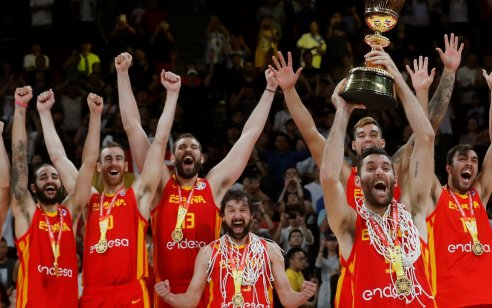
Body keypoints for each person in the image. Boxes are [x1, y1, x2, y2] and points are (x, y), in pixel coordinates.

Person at [115, 52, 277, 307]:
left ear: (202, 158)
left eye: (193, 147)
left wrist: (269, 89)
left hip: (209, 291)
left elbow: (249, 135)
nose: (187, 150)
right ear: (172, 157)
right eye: (181, 147)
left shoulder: (212, 186)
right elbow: (133, 127)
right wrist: (122, 75)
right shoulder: (161, 184)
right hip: (164, 292)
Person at [272, 33, 462, 210]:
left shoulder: (395, 167)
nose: (368, 139)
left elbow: (428, 130)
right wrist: (289, 90)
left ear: (383, 142)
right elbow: (310, 134)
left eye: (373, 134)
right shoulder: (346, 174)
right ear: (353, 145)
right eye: (361, 135)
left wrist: (449, 72)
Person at [320, 47, 435, 306]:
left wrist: (396, 77)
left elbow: (426, 138)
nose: (380, 171)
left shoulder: (413, 211)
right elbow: (328, 177)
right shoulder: (350, 224)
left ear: (394, 179)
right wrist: (342, 110)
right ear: (358, 182)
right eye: (370, 168)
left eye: (385, 167)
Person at [77, 71, 180, 307]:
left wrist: (172, 96)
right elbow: (77, 162)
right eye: (108, 159)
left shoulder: (138, 196)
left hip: (130, 293)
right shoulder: (89, 200)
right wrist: (95, 116)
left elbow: (160, 142)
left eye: (118, 158)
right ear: (100, 166)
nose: (113, 163)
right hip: (93, 294)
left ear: (125, 165)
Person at [424, 66, 492, 307]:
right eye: (463, 159)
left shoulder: (480, 195)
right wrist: (447, 75)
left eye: (474, 160)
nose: (470, 164)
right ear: (449, 169)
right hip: (448, 298)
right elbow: (424, 139)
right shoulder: (434, 195)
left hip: (488, 297)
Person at [154, 189, 317, 307]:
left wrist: (302, 296)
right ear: (223, 216)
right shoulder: (208, 253)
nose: (237, 215)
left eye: (243, 210)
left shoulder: (270, 250)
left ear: (252, 216)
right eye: (231, 210)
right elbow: (191, 300)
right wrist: (168, 297)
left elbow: (287, 298)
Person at [12, 86, 96, 307]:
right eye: (43, 177)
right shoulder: (28, 214)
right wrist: (20, 109)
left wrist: (95, 118)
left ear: (61, 185)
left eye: (54, 176)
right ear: (32, 187)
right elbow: (19, 160)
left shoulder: (69, 213)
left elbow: (87, 167)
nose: (50, 180)